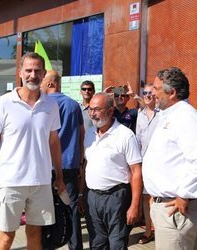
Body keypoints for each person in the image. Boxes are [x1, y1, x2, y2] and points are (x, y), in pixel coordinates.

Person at [0, 52, 66, 250]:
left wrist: (60, 177)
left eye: (37, 70)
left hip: (41, 182)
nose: (33, 75)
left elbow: (54, 143)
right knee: (6, 237)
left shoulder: (51, 104)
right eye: (28, 70)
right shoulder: (4, 103)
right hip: (10, 182)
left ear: (44, 74)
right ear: (20, 72)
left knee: (35, 234)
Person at [142, 67, 197, 250]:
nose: (152, 93)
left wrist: (184, 194)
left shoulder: (185, 117)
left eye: (156, 89)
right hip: (165, 206)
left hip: (176, 209)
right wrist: (155, 195)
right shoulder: (169, 115)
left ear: (171, 92)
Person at [79, 92, 142, 249]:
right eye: (90, 109)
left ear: (110, 110)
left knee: (117, 244)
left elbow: (136, 172)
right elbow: (86, 165)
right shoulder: (90, 135)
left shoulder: (125, 136)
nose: (92, 114)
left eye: (97, 109)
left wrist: (134, 206)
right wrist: (81, 193)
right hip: (92, 197)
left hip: (116, 198)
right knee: (97, 243)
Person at [41, 70, 84, 250]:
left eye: (43, 82)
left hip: (46, 168)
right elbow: (81, 135)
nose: (40, 86)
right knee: (71, 209)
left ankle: (47, 245)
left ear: (51, 84)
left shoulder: (42, 105)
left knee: (44, 211)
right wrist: (80, 161)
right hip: (69, 166)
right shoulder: (74, 105)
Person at [135, 83, 159, 244]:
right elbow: (138, 139)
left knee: (156, 197)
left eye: (150, 92)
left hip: (159, 161)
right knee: (145, 197)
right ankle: (149, 231)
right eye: (145, 93)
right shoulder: (140, 114)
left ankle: (160, 229)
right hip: (144, 160)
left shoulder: (162, 113)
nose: (147, 95)